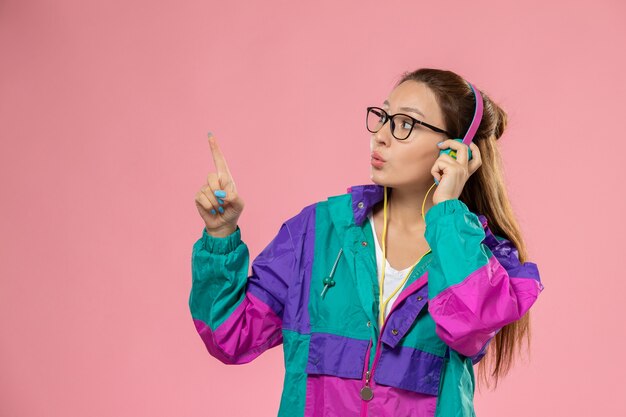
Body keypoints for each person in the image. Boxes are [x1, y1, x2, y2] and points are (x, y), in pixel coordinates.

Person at [190, 67, 544, 417]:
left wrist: (449, 209)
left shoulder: (477, 256)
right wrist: (220, 235)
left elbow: (471, 324)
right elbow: (230, 335)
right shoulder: (318, 231)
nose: (381, 136)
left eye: (405, 124)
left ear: (456, 149)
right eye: (383, 117)